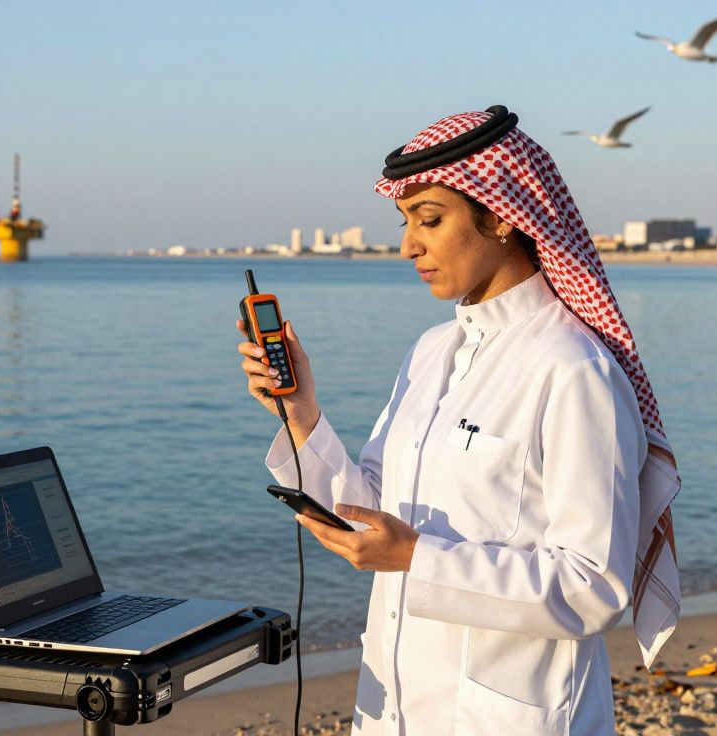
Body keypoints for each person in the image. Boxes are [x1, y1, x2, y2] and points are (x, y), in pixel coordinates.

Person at [235, 105, 682, 735]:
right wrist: (304, 417)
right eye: (405, 222)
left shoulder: (574, 369)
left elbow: (594, 587)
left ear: (501, 214)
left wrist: (418, 558)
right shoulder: (429, 352)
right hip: (394, 708)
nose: (407, 245)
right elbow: (375, 510)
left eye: (430, 219)